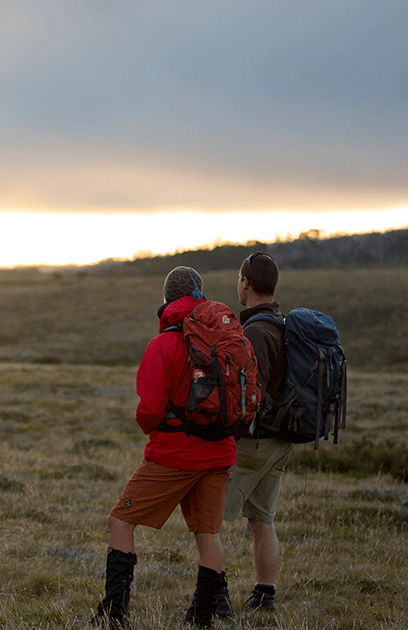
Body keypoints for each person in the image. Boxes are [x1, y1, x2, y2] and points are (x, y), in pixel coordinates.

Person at [87, 267, 236, 630]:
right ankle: (204, 618)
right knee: (208, 532)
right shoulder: (225, 338)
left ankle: (114, 614)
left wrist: (150, 426)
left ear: (166, 300)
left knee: (120, 522)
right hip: (221, 450)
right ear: (200, 296)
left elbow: (151, 409)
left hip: (175, 453)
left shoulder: (162, 345)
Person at [221, 252, 292, 613]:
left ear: (246, 283)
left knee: (210, 519)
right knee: (262, 519)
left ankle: (213, 597)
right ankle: (265, 596)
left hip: (256, 441)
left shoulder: (254, 331)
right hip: (281, 440)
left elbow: (250, 393)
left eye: (239, 278)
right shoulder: (281, 324)